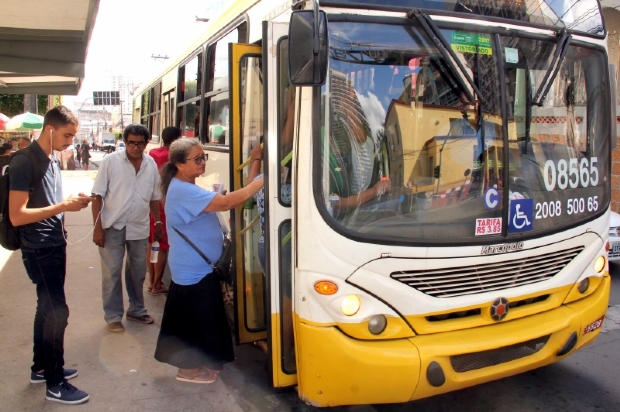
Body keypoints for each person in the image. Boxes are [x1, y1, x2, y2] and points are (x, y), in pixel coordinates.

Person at [154, 138, 264, 384]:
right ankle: (188, 371)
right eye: (197, 159)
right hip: (194, 269)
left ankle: (194, 367)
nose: (203, 162)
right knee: (195, 324)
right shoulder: (183, 189)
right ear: (179, 164)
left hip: (194, 267)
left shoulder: (183, 185)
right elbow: (228, 203)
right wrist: (262, 180)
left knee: (196, 322)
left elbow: (218, 203)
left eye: (204, 156)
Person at [8, 105, 92, 404]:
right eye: (68, 135)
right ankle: (55, 384)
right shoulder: (24, 162)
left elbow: (50, 201)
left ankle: (41, 368)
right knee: (57, 312)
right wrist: (62, 207)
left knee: (46, 309)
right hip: (38, 248)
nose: (71, 142)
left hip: (55, 243)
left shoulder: (52, 159)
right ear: (50, 129)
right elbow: (17, 216)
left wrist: (71, 203)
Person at [91, 124, 163, 333]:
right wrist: (97, 228)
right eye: (131, 142)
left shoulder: (150, 165)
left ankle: (137, 309)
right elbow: (97, 196)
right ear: (125, 142)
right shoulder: (110, 162)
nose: (135, 147)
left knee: (137, 271)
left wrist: (157, 222)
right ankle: (113, 316)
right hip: (112, 225)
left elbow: (154, 198)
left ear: (146, 143)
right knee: (112, 273)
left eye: (140, 143)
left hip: (139, 227)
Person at [146, 126, 182, 296]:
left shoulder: (153, 153)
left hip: (152, 204)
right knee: (163, 246)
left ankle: (151, 280)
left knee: (152, 242)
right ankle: (157, 284)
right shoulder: (174, 157)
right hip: (164, 203)